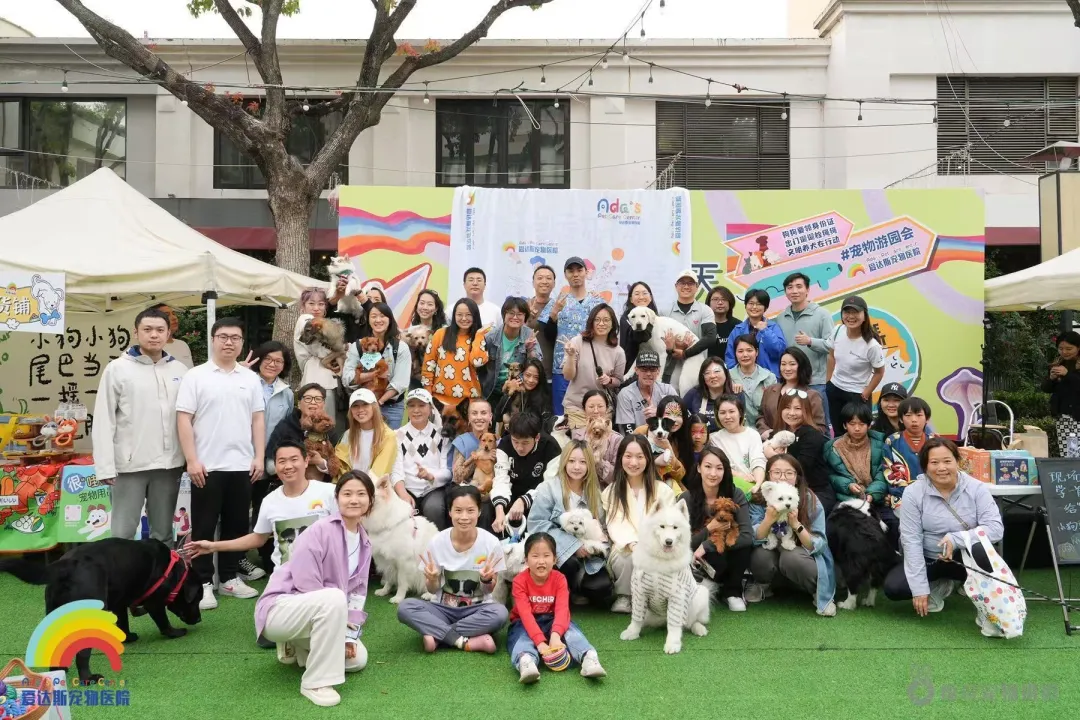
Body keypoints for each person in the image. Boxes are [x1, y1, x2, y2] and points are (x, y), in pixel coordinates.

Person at [252, 471, 374, 707]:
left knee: (357, 660)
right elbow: (305, 583)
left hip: (321, 612)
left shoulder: (364, 541)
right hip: (282, 608)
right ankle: (315, 683)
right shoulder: (320, 530)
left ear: (370, 501)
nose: (354, 500)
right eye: (347, 494)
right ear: (337, 499)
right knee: (334, 598)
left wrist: (349, 635)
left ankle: (299, 647)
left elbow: (357, 592)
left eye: (361, 494)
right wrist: (339, 628)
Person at [176, 317, 265, 610]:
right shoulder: (196, 376)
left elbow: (257, 419)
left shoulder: (250, 378)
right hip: (206, 466)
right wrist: (192, 460)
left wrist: (259, 456)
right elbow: (184, 419)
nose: (229, 342)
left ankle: (228, 577)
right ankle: (202, 582)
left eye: (235, 338)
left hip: (242, 464)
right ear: (213, 340)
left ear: (242, 343)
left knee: (237, 524)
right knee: (203, 525)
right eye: (223, 336)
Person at [883, 438, 1004, 634]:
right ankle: (938, 586)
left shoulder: (977, 488)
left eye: (947, 461)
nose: (941, 468)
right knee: (895, 588)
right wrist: (919, 589)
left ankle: (986, 608)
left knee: (983, 551)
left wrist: (956, 539)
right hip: (930, 558)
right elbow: (911, 540)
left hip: (965, 558)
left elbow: (995, 529)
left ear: (958, 461)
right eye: (934, 462)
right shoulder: (913, 492)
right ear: (925, 466)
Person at [93, 307, 187, 543]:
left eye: (160, 330)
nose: (154, 335)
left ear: (168, 334)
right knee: (122, 534)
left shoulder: (179, 370)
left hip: (169, 466)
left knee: (163, 534)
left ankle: (164, 569)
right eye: (147, 329)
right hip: (129, 466)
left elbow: (189, 417)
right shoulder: (117, 369)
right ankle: (121, 570)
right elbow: (104, 419)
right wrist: (105, 466)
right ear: (136, 333)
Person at [184, 441, 338, 579]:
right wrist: (213, 546)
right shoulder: (270, 501)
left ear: (306, 461)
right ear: (275, 466)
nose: (288, 466)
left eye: (294, 459)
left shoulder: (329, 492)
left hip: (325, 575)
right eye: (282, 461)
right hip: (286, 579)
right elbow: (258, 538)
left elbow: (345, 531)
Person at [397, 485, 510, 653]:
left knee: (500, 613)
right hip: (443, 609)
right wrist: (433, 580)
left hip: (477, 609)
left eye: (470, 511)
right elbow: (432, 590)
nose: (464, 517)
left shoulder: (491, 543)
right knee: (405, 607)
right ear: (449, 512)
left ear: (479, 511)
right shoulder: (437, 541)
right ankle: (464, 641)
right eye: (458, 510)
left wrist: (486, 580)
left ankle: (438, 635)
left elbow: (488, 590)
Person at [508, 533, 606, 683]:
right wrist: (540, 643)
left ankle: (588, 657)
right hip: (523, 622)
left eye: (546, 555)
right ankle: (526, 661)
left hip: (552, 619)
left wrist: (555, 635)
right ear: (526, 560)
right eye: (535, 556)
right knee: (522, 639)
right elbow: (525, 615)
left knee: (572, 632)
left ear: (555, 559)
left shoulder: (560, 579)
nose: (541, 561)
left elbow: (562, 610)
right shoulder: (519, 581)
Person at [745, 454, 836, 616]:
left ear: (797, 477)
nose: (782, 477)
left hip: (799, 557)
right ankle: (765, 585)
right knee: (760, 555)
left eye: (789, 473)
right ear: (768, 475)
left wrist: (795, 524)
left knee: (791, 556)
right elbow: (753, 538)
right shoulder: (759, 498)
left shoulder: (809, 499)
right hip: (772, 555)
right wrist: (768, 520)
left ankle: (816, 591)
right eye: (777, 472)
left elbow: (819, 543)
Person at [527, 441, 613, 603]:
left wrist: (597, 545)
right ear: (564, 462)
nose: (577, 467)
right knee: (569, 563)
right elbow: (537, 524)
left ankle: (576, 587)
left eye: (583, 462)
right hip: (557, 553)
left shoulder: (594, 492)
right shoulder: (548, 488)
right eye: (571, 461)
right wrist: (573, 546)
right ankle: (560, 591)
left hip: (589, 556)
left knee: (601, 589)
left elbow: (602, 526)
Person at [601, 435, 676, 613]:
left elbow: (668, 524)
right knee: (626, 557)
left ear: (648, 459)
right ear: (620, 458)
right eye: (628, 456)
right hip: (627, 546)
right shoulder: (611, 492)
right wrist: (634, 544)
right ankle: (625, 595)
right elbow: (616, 523)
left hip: (658, 546)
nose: (633, 462)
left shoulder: (664, 491)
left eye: (639, 457)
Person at [680, 445, 753, 611]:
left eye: (719, 468)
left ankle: (732, 592)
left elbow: (747, 536)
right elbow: (683, 542)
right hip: (700, 560)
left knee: (742, 547)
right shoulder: (686, 498)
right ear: (699, 468)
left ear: (725, 471)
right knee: (715, 556)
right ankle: (710, 586)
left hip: (726, 551)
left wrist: (707, 545)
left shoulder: (736, 494)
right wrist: (709, 529)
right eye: (708, 466)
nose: (713, 473)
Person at [540, 257, 604, 415]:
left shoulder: (598, 302)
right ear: (565, 274)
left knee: (592, 413)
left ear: (586, 273)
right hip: (562, 367)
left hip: (590, 366)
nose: (575, 274)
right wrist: (554, 314)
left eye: (579, 270)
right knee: (561, 416)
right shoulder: (557, 302)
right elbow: (548, 336)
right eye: (571, 271)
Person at [249, 341, 294, 562]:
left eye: (278, 361)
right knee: (236, 510)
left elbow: (286, 429)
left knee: (262, 509)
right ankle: (235, 558)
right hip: (242, 458)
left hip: (268, 462)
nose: (272, 364)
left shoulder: (286, 393)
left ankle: (265, 556)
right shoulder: (245, 383)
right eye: (268, 359)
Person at [775, 273, 835, 427]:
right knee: (790, 425)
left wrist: (810, 341)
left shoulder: (822, 315)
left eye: (799, 287)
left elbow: (832, 345)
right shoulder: (781, 318)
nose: (794, 291)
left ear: (807, 290)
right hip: (790, 382)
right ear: (785, 292)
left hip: (815, 381)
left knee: (820, 425)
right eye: (790, 287)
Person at [764, 391, 835, 516]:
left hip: (813, 492)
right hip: (782, 491)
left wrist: (773, 455)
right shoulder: (777, 434)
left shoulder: (812, 435)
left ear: (806, 411)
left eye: (797, 408)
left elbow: (801, 467)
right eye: (787, 407)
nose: (792, 413)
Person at [390, 389, 453, 530]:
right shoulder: (397, 435)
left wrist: (431, 475)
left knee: (434, 509)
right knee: (402, 512)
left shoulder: (442, 435)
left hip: (433, 489)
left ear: (431, 408)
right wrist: (403, 494)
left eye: (421, 405)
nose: (416, 410)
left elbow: (448, 472)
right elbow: (396, 470)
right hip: (407, 488)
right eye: (411, 405)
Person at [491, 412, 562, 535]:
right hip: (511, 495)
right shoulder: (505, 444)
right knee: (490, 509)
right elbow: (501, 478)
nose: (519, 448)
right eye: (515, 441)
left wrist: (523, 500)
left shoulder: (551, 447)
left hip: (539, 498)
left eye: (525, 443)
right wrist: (499, 508)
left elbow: (550, 484)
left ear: (537, 437)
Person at [343, 302, 411, 429]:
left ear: (390, 319)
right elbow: (347, 378)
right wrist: (371, 375)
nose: (378, 320)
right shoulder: (358, 346)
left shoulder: (400, 347)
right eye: (373, 316)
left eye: (382, 316)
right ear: (368, 320)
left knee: (388, 440)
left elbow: (400, 383)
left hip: (391, 406)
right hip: (362, 406)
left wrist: (379, 402)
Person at [825, 295, 885, 436]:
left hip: (857, 394)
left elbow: (879, 372)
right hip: (835, 389)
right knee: (839, 433)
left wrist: (866, 393)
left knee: (858, 435)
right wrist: (828, 381)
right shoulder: (838, 330)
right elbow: (831, 355)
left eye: (855, 312)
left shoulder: (872, 345)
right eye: (847, 312)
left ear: (864, 315)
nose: (851, 316)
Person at [562, 303, 626, 426]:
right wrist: (570, 356)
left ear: (613, 323)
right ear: (591, 322)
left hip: (602, 409)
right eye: (597, 320)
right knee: (580, 438)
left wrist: (609, 380)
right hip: (576, 406)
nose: (601, 323)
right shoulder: (577, 342)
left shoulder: (618, 352)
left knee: (601, 438)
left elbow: (618, 381)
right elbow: (568, 376)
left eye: (606, 320)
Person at [422, 298, 491, 407]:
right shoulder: (440, 334)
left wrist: (478, 336)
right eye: (459, 314)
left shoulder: (479, 338)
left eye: (468, 315)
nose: (464, 318)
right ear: (454, 316)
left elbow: (477, 362)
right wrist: (428, 395)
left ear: (475, 316)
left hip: (468, 403)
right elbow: (428, 365)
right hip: (439, 401)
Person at [481, 297, 543, 413]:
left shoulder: (529, 334)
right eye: (511, 313)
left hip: (518, 392)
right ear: (504, 315)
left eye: (519, 314)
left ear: (525, 317)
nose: (515, 317)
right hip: (491, 391)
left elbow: (537, 365)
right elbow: (479, 366)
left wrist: (530, 350)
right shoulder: (490, 337)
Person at [336, 389, 401, 499]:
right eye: (355, 406)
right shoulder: (348, 434)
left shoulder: (388, 436)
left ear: (374, 407)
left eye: (365, 404)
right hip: (348, 490)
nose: (360, 409)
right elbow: (340, 466)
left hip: (374, 493)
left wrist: (358, 491)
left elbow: (378, 473)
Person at [294, 287, 345, 423]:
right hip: (317, 380)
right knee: (320, 424)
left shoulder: (323, 324)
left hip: (329, 381)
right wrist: (342, 349)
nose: (316, 308)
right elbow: (322, 351)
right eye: (311, 303)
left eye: (321, 304)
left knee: (330, 425)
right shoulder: (305, 320)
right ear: (303, 306)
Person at [824, 402, 888, 506]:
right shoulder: (833, 447)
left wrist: (872, 493)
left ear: (869, 425)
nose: (857, 428)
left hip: (877, 498)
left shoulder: (881, 443)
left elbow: (883, 472)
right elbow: (832, 475)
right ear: (845, 425)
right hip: (847, 499)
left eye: (862, 424)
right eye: (852, 424)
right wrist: (848, 485)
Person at [757, 347, 827, 438]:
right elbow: (761, 415)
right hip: (770, 441)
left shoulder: (812, 395)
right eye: (783, 364)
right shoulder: (770, 390)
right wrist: (764, 431)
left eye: (792, 364)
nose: (787, 368)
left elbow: (819, 427)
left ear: (801, 366)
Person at [883, 396, 937, 515]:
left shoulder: (935, 442)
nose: (914, 420)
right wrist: (907, 492)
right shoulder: (892, 441)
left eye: (919, 415)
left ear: (927, 418)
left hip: (933, 495)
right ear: (901, 419)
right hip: (902, 496)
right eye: (908, 415)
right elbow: (889, 471)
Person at [663, 269, 717, 386]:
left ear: (697, 287)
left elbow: (711, 337)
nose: (686, 286)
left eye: (690, 283)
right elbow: (659, 340)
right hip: (670, 369)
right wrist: (672, 349)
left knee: (694, 396)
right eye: (682, 283)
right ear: (676, 286)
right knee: (671, 396)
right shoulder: (665, 311)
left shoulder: (705, 310)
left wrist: (685, 353)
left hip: (697, 368)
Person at [708, 395, 766, 493]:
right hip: (728, 487)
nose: (727, 417)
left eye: (731, 411)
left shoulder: (753, 434)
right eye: (722, 413)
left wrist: (758, 483)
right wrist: (740, 476)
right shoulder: (714, 439)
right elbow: (720, 466)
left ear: (740, 413)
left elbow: (758, 460)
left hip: (753, 485)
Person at [634, 395, 692, 494]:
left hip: (668, 485)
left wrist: (668, 447)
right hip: (642, 482)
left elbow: (680, 475)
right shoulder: (642, 431)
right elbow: (631, 460)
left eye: (678, 415)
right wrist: (654, 461)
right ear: (659, 414)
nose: (673, 419)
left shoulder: (681, 439)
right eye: (668, 414)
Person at [725, 289, 786, 376]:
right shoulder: (737, 330)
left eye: (759, 304)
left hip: (769, 378)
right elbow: (730, 357)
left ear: (765, 308)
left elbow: (778, 352)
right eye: (751, 303)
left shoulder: (773, 327)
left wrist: (765, 331)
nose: (754, 307)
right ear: (745, 306)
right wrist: (735, 377)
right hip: (743, 379)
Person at [615, 350, 678, 434]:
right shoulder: (625, 394)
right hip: (639, 439)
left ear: (658, 371)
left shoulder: (667, 390)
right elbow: (628, 432)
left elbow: (682, 416)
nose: (648, 373)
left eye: (652, 369)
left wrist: (661, 413)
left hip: (667, 437)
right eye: (644, 369)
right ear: (636, 370)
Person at [569, 390, 623, 487]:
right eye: (591, 407)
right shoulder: (576, 435)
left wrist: (599, 462)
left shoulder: (617, 439)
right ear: (584, 409)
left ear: (607, 408)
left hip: (605, 489)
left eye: (600, 406)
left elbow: (618, 475)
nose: (596, 411)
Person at [729, 335, 777, 430]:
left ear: (757, 352)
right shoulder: (728, 377)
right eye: (740, 351)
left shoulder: (769, 377)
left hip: (765, 430)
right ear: (735, 353)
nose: (745, 355)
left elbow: (773, 410)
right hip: (737, 430)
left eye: (749, 350)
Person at [682, 357, 743, 433]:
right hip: (701, 438)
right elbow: (682, 416)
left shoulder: (736, 393)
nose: (712, 376)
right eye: (707, 373)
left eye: (717, 371)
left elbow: (741, 423)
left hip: (730, 437)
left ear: (726, 373)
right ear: (702, 377)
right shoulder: (694, 393)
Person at [1044, 330, 1080, 456]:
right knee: (1067, 454)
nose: (1064, 352)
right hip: (1063, 417)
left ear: (1078, 347)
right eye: (1060, 348)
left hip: (1078, 416)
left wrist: (1068, 374)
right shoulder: (1057, 363)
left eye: (1069, 349)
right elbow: (1046, 388)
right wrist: (1051, 379)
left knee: (1078, 454)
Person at [494, 358, 553, 432]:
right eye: (528, 375)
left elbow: (544, 425)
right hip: (511, 434)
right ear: (522, 373)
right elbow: (498, 416)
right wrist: (509, 394)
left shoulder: (543, 396)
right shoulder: (514, 389)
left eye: (536, 377)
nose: (531, 380)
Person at [526, 265, 557, 381]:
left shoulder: (560, 307)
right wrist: (527, 319)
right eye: (540, 278)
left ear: (554, 283)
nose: (544, 281)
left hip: (553, 373)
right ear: (533, 283)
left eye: (548, 278)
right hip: (528, 374)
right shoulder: (524, 306)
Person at [619, 281, 659, 372]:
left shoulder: (656, 317)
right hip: (631, 368)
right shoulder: (627, 318)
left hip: (653, 368)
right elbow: (641, 337)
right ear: (631, 299)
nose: (641, 297)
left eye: (644, 293)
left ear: (650, 297)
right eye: (637, 294)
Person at [150, 303, 194, 368]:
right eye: (167, 315)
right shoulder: (150, 348)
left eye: (173, 314)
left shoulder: (183, 344)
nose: (174, 318)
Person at [704, 286, 740, 361]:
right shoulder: (703, 325)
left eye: (724, 299)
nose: (720, 303)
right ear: (708, 303)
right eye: (715, 299)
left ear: (730, 303)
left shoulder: (738, 326)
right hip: (707, 366)